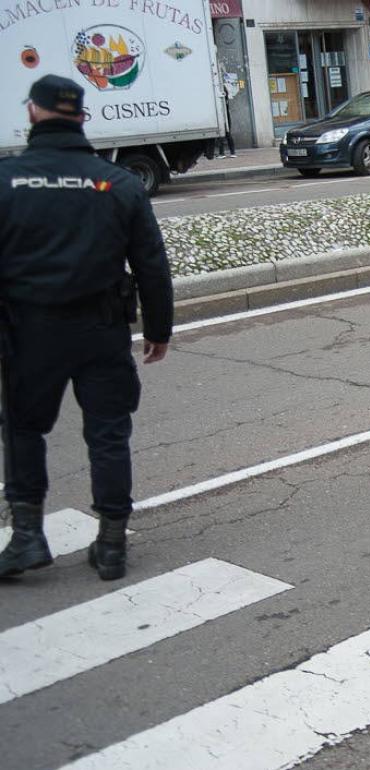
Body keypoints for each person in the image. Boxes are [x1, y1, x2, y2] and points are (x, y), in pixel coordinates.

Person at [0, 75, 173, 581]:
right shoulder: (116, 183)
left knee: (24, 430)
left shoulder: (7, 182)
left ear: (32, 113)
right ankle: (112, 545)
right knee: (108, 433)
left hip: (27, 334)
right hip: (102, 330)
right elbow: (151, 263)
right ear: (83, 117)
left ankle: (28, 537)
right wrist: (159, 328)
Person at [216, 84, 236, 158]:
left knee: (222, 135)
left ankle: (222, 153)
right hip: (226, 116)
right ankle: (232, 152)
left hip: (223, 116)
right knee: (228, 134)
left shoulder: (221, 98)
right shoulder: (225, 97)